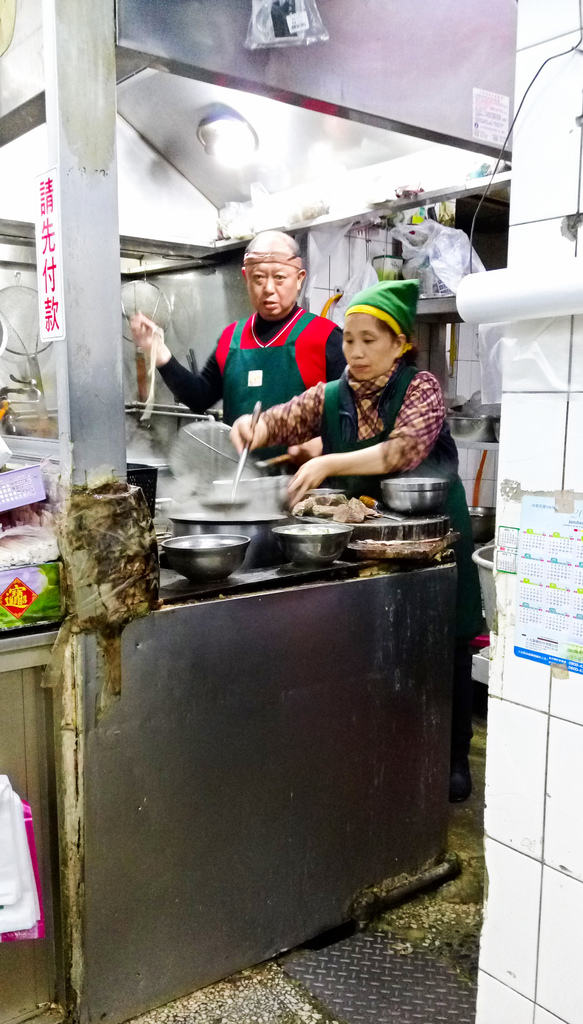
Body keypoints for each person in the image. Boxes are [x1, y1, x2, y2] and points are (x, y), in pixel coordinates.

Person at [231, 279, 483, 802]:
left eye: (371, 340)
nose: (358, 351)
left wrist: (326, 461)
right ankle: (382, 750)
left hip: (432, 538)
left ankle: (453, 756)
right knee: (374, 651)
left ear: (400, 344)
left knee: (447, 648)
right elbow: (280, 420)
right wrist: (250, 428)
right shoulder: (331, 395)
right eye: (350, 340)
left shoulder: (422, 389)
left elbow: (399, 453)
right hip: (364, 546)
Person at [129, 231, 345, 457]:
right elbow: (199, 398)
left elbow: (354, 413)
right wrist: (158, 350)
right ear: (246, 277)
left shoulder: (326, 337)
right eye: (259, 278)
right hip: (242, 482)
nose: (269, 288)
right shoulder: (232, 339)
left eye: (279, 277)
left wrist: (323, 446)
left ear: (300, 278)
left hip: (310, 486)